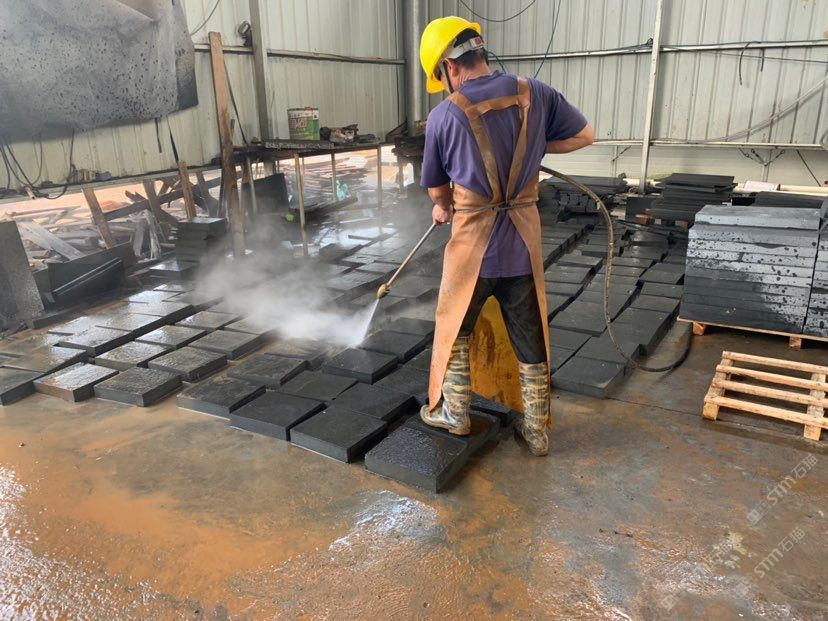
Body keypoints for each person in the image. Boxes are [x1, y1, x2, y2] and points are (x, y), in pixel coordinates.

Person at [418, 16, 594, 456]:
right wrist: (535, 146)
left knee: (455, 329)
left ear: (449, 67)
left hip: (473, 251)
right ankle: (536, 430)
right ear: (480, 53)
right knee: (529, 334)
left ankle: (455, 413)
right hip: (521, 244)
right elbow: (585, 135)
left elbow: (437, 190)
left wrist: (443, 206)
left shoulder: (444, 116)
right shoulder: (537, 93)